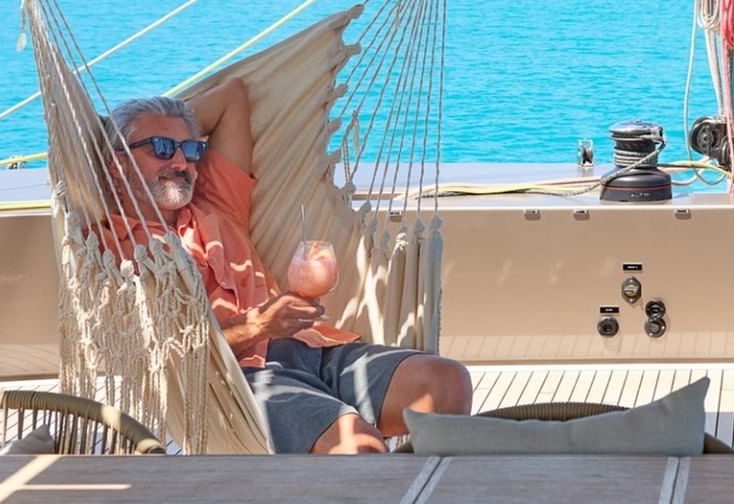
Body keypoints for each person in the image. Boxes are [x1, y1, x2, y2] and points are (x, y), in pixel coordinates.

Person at [105, 81, 471, 453]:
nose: (181, 163)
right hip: (235, 380)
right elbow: (161, 352)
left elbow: (233, 98)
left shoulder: (216, 201)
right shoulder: (109, 248)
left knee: (445, 382)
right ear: (117, 164)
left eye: (190, 149)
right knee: (359, 445)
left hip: (310, 348)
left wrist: (167, 126)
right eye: (162, 149)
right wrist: (258, 326)